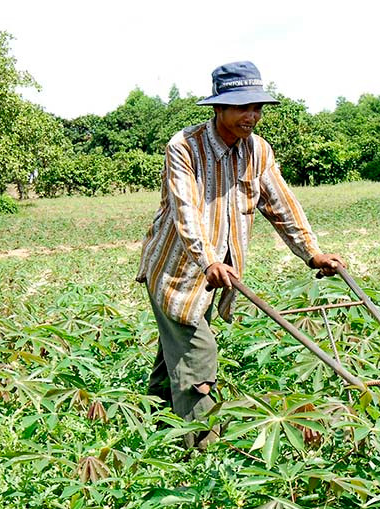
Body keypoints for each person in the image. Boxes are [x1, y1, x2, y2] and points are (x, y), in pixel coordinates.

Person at [136, 61, 344, 448]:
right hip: (177, 273)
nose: (253, 116)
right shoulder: (185, 148)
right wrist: (208, 261)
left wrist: (312, 253)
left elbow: (282, 204)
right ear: (219, 108)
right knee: (199, 355)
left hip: (220, 274)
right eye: (243, 107)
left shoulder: (258, 150)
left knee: (175, 358)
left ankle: (152, 435)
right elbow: (187, 211)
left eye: (258, 107)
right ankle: (201, 452)